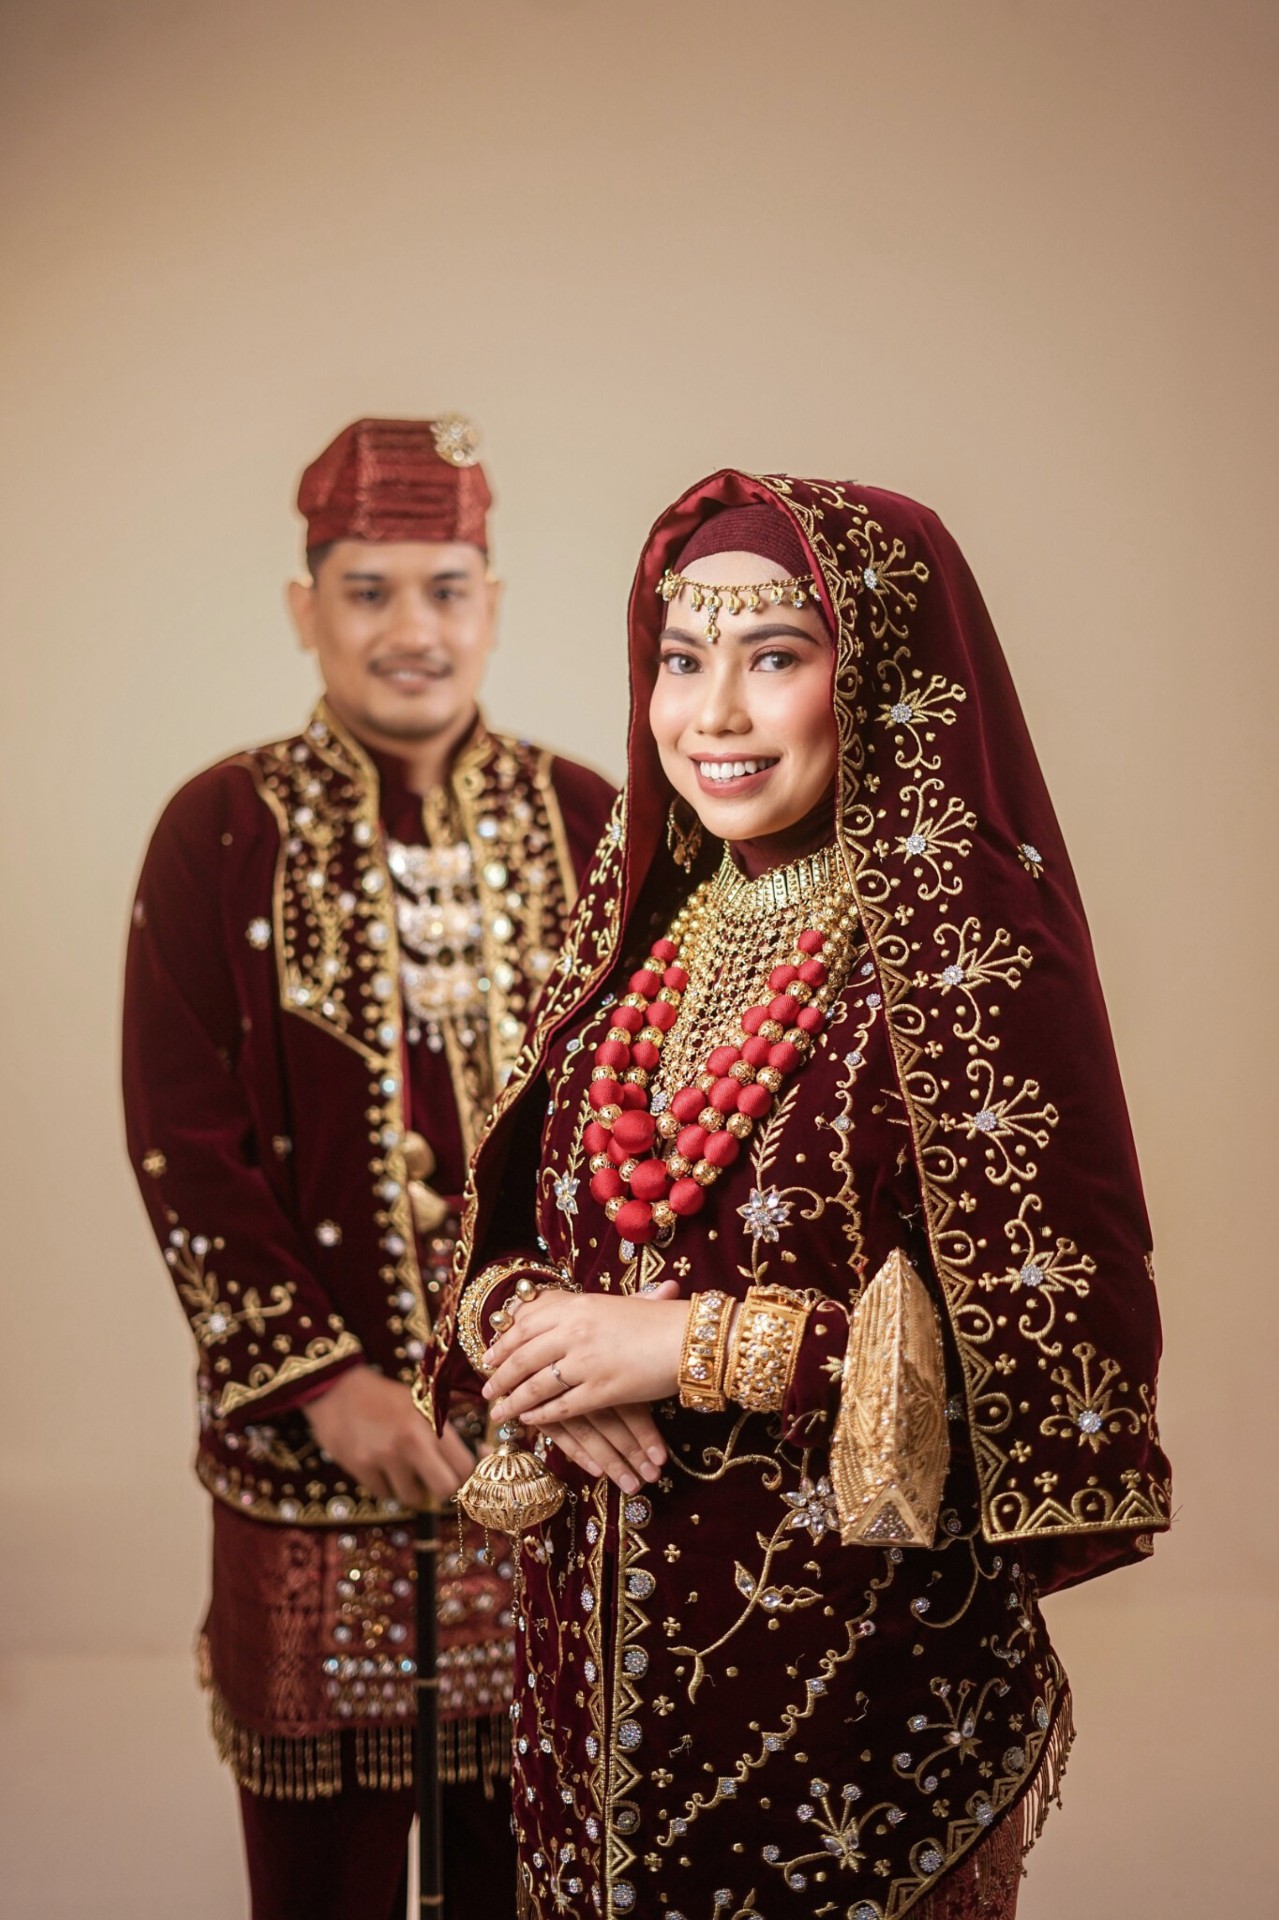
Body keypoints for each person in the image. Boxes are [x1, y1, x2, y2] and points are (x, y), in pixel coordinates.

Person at [423, 472, 1172, 1920]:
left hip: (848, 1710)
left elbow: (1060, 1366)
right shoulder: (640, 933)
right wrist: (538, 1345)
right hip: (582, 1718)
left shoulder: (966, 960)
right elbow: (509, 1240)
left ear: (876, 678)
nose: (712, 715)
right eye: (679, 660)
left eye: (773, 658)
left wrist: (689, 1345)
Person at [122, 415, 616, 1920]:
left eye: (447, 589)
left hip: (551, 1458)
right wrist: (327, 1385)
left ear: (494, 603)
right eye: (369, 590)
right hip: (307, 1461)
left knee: (539, 1868)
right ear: (305, 607)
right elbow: (182, 1142)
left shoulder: (594, 821)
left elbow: (654, 1131)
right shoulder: (221, 830)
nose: (415, 629)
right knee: (320, 1885)